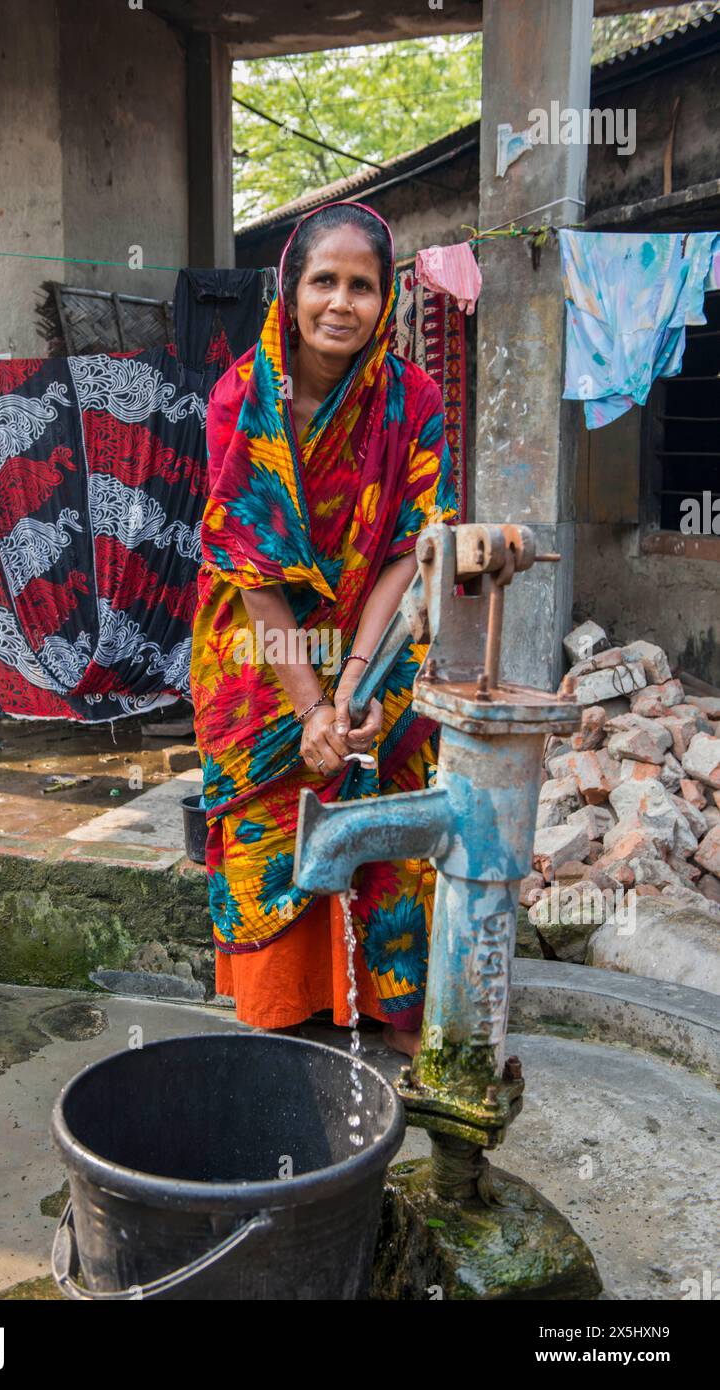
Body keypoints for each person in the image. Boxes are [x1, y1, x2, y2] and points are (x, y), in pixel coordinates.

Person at [190, 201, 458, 1057]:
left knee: (382, 810)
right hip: (257, 649)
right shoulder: (239, 398)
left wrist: (353, 691)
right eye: (323, 281)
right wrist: (308, 709)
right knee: (275, 821)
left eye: (362, 286)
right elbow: (254, 571)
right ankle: (282, 1026)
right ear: (290, 288)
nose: (341, 303)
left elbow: (407, 555)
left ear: (387, 300)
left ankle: (386, 1020)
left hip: (374, 643)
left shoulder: (412, 402)